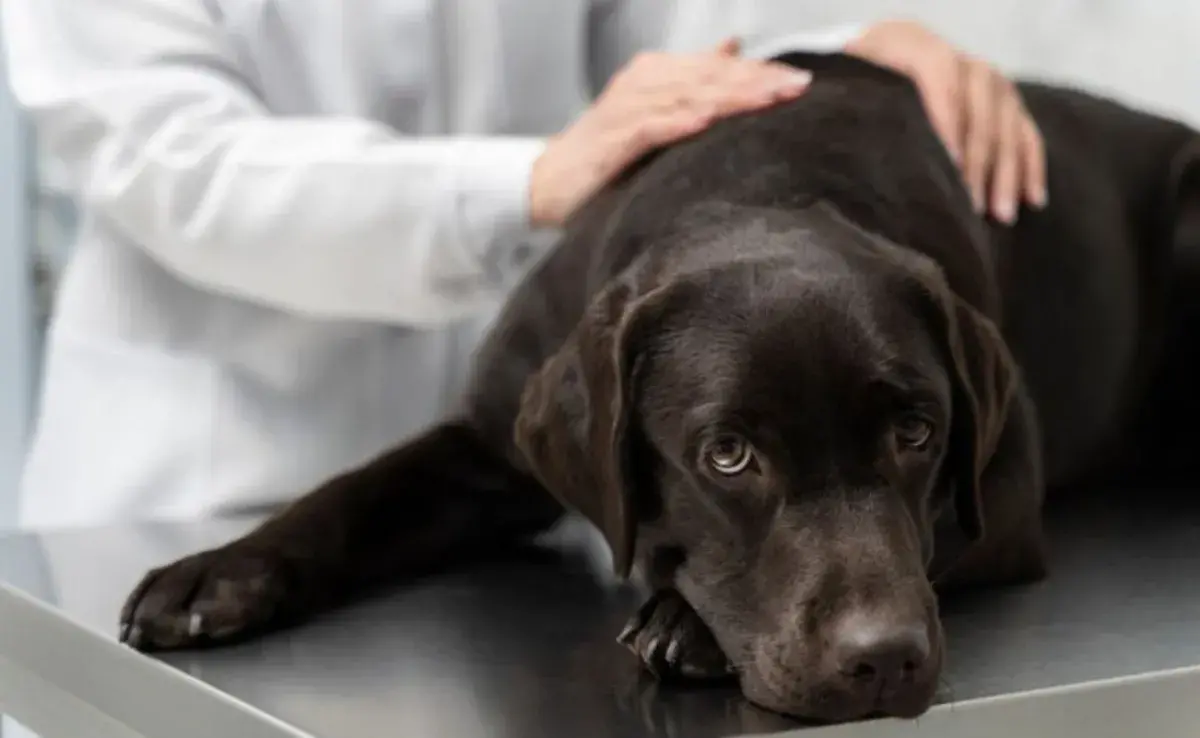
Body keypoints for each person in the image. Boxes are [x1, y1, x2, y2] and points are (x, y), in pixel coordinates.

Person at [1, 1, 1045, 530]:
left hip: (508, 504)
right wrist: (527, 182)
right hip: (198, 483)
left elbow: (684, 34)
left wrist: (846, 44)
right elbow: (169, 158)